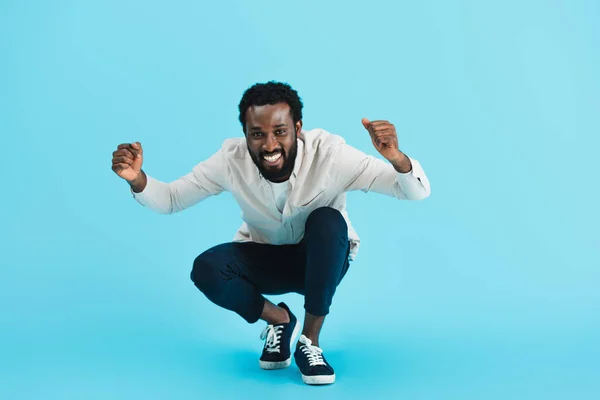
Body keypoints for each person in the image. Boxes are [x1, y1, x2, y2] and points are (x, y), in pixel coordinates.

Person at [111, 81, 431, 385]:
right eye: (257, 134)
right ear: (245, 135)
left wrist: (396, 159)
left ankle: (310, 342)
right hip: (266, 259)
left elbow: (413, 192)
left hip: (321, 260)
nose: (269, 145)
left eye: (279, 131)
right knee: (206, 268)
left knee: (328, 220)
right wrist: (137, 179)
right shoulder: (230, 160)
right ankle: (279, 320)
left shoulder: (331, 155)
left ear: (297, 128)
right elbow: (171, 199)